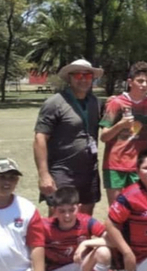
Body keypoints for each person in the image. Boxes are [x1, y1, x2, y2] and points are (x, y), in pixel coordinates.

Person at [34, 58, 103, 216]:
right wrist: (44, 175)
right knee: (59, 213)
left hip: (89, 169)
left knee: (86, 213)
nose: (84, 79)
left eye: (88, 76)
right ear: (70, 78)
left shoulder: (95, 102)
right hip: (62, 170)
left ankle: (81, 241)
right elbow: (40, 138)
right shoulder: (55, 103)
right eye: (79, 76)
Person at [100, 62, 147, 206]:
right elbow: (104, 137)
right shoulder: (116, 103)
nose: (144, 85)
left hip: (140, 165)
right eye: (140, 81)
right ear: (130, 82)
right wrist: (120, 125)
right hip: (115, 164)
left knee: (139, 207)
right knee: (116, 208)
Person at [42, 187, 111, 271]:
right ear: (54, 210)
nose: (67, 215)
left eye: (71, 210)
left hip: (83, 265)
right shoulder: (45, 226)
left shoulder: (87, 221)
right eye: (61, 211)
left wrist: (85, 244)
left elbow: (111, 240)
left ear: (78, 207)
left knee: (103, 251)